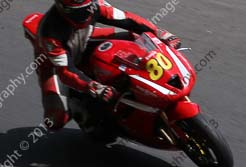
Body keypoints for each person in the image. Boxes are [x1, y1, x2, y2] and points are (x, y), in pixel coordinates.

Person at [25, 0, 181, 131]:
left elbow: (128, 19)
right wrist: (94, 87)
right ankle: (80, 108)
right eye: (77, 12)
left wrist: (159, 32)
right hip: (55, 66)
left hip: (85, 37)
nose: (85, 15)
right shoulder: (50, 33)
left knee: (136, 37)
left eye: (87, 9)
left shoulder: (95, 5)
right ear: (62, 9)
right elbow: (66, 71)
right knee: (55, 120)